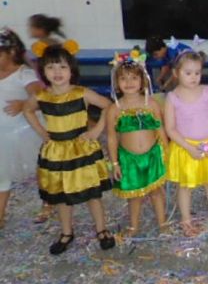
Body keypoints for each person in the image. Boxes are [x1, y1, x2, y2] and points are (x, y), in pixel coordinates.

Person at [23, 46, 114, 255]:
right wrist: (42, 133)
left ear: (71, 70)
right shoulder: (41, 96)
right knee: (61, 195)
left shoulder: (82, 93)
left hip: (81, 150)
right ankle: (66, 232)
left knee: (92, 193)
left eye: (62, 67)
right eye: (51, 67)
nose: (57, 72)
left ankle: (101, 229)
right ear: (43, 71)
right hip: (56, 152)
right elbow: (27, 109)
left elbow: (108, 106)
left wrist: (96, 130)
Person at [164, 51, 208, 236]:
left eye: (197, 73)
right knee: (185, 186)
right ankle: (186, 218)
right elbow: (170, 129)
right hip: (185, 148)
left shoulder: (207, 93)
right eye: (188, 73)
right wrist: (189, 148)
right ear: (176, 73)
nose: (193, 77)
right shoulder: (172, 97)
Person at [106, 49, 168, 237]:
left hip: (152, 156)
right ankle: (133, 226)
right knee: (135, 196)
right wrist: (114, 163)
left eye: (134, 78)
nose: (129, 82)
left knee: (156, 191)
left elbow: (160, 129)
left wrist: (167, 152)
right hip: (129, 159)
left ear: (143, 80)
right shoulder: (114, 109)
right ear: (116, 83)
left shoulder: (151, 104)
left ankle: (163, 222)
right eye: (123, 79)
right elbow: (111, 137)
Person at [0, 29, 44, 228]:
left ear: (11, 52)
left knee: (41, 170)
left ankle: (48, 202)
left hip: (24, 132)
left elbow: (40, 95)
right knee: (2, 174)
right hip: (2, 134)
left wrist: (24, 103)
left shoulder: (23, 74)